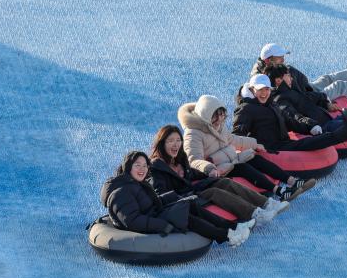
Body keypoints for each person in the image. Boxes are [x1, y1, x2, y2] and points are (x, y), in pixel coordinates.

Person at [100, 151, 252, 247]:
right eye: (137, 165)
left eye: (145, 166)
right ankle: (227, 236)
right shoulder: (121, 192)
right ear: (128, 167)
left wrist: (174, 196)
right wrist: (164, 226)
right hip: (150, 223)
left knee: (190, 204)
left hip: (152, 215)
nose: (142, 169)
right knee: (184, 215)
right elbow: (132, 221)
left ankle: (233, 227)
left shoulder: (137, 184)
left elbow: (150, 203)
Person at [178, 94, 316, 201]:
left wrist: (255, 144)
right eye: (216, 116)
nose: (220, 119)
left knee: (254, 157)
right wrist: (209, 168)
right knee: (243, 167)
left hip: (229, 159)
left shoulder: (218, 126)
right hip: (214, 169)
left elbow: (233, 139)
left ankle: (292, 181)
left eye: (221, 115)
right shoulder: (193, 133)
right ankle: (279, 192)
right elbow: (193, 159)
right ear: (206, 115)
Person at [148, 125, 290, 227]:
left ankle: (267, 203)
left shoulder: (179, 159)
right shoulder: (157, 166)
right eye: (170, 141)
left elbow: (191, 174)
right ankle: (255, 214)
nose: (175, 144)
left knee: (224, 182)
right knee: (214, 192)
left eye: (178, 140)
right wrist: (185, 195)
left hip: (191, 190)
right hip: (183, 199)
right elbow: (160, 193)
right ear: (162, 143)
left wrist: (209, 171)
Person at [232, 74, 347, 152]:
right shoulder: (245, 109)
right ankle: (346, 132)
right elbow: (237, 135)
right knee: (310, 143)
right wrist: (254, 147)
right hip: (270, 148)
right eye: (260, 90)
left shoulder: (271, 104)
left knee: (313, 139)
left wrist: (311, 126)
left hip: (283, 142)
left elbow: (292, 119)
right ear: (252, 90)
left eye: (267, 89)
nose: (264, 93)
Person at [251, 43, 347, 101]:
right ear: (269, 60)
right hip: (306, 100)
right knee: (338, 86)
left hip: (306, 89)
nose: (283, 59)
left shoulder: (273, 67)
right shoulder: (262, 81)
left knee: (327, 78)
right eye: (280, 57)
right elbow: (284, 97)